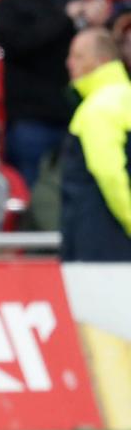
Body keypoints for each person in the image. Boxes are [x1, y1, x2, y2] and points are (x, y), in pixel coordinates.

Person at [0, 0, 108, 188]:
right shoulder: (11, 4)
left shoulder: (78, 5)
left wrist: (100, 23)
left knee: (76, 192)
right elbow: (19, 43)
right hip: (30, 122)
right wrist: (66, 16)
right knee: (30, 197)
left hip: (74, 120)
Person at [61, 28, 131, 261]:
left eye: (78, 56)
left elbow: (109, 173)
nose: (69, 63)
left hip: (102, 240)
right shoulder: (124, 97)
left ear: (101, 61)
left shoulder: (99, 107)